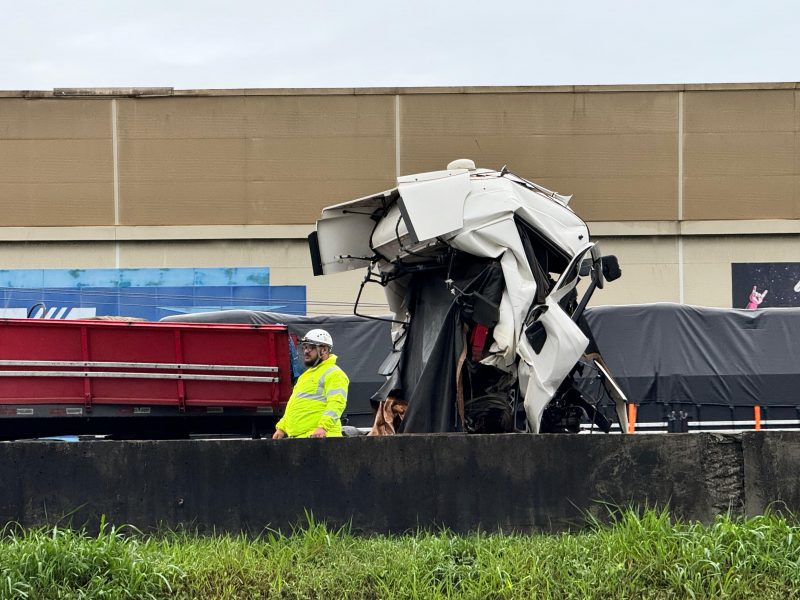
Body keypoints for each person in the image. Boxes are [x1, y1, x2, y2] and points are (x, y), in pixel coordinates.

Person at [272, 329, 349, 439]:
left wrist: (323, 428)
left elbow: (336, 404)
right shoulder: (305, 376)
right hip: (304, 439)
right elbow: (294, 404)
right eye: (305, 347)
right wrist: (281, 428)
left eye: (311, 347)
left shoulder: (334, 373)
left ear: (324, 350)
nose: (306, 351)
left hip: (322, 439)